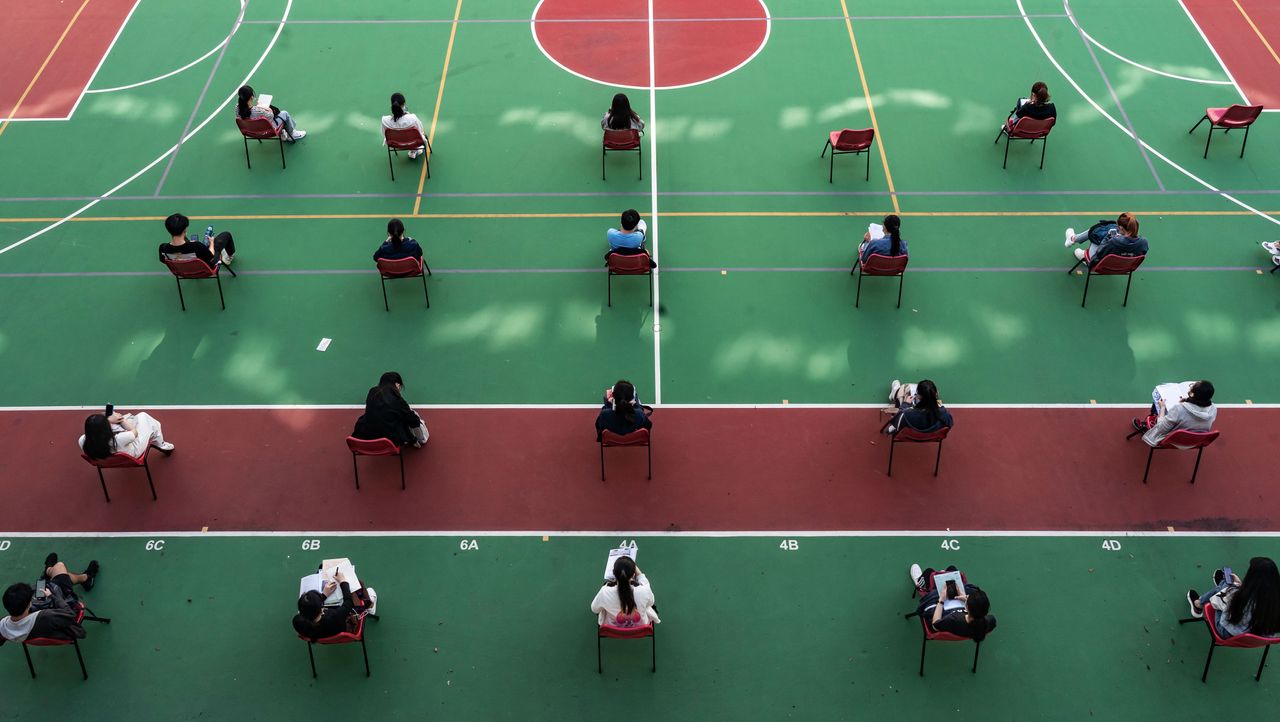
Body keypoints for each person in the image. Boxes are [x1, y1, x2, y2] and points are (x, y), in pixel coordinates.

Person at [1, 553, 98, 646]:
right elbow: (70, 615)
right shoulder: (46, 617)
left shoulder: (3, 626)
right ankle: (85, 578)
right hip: (60, 617)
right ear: (28, 604)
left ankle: (48, 573)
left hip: (38, 618)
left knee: (43, 584)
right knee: (60, 567)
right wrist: (53, 596)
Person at [1185, 557, 1280, 639]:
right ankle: (1222, 584)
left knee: (1224, 590)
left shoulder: (1240, 597)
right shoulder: (1275, 601)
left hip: (1226, 632)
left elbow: (1217, 602)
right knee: (1227, 589)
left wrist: (1232, 589)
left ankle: (1198, 605)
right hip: (1257, 638)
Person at [909, 563, 995, 641]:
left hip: (942, 612)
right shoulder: (989, 622)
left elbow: (935, 625)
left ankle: (920, 583)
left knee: (929, 572)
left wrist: (942, 599)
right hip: (962, 616)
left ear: (968, 607)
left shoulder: (954, 620)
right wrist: (965, 597)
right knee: (952, 569)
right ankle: (944, 573)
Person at [293, 569, 378, 640]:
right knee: (359, 585)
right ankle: (370, 605)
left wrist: (324, 596)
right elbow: (348, 603)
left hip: (323, 635)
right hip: (345, 627)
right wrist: (343, 582)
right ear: (321, 609)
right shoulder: (333, 616)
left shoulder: (298, 622)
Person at [352, 371, 429, 448]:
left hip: (366, 437)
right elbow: (413, 421)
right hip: (390, 441)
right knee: (412, 416)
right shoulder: (397, 399)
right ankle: (421, 439)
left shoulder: (372, 392)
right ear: (397, 384)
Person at [1135, 380, 1216, 445]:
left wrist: (1162, 407)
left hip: (1172, 441)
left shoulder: (1179, 409)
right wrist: (1188, 402)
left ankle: (1146, 424)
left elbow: (1161, 429)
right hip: (1196, 442)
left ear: (1192, 394)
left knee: (1158, 399)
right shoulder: (1213, 409)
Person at [591, 556, 660, 627]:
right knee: (648, 604)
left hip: (613, 629)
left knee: (601, 606)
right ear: (633, 574)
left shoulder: (605, 591)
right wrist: (637, 572)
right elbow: (651, 602)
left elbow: (595, 609)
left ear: (614, 573)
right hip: (640, 627)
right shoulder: (644, 590)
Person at [79, 409, 173, 458]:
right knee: (144, 417)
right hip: (133, 453)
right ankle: (162, 445)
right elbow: (134, 432)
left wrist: (109, 420)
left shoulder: (82, 440)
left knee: (122, 424)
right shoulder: (118, 439)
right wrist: (121, 419)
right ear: (104, 429)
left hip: (111, 457)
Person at [1063, 213, 1147, 266]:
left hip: (1100, 265)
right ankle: (1073, 239)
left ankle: (1074, 241)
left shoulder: (1114, 241)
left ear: (1121, 227)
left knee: (1096, 232)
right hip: (1123, 267)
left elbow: (1100, 252)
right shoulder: (1144, 243)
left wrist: (1108, 237)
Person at [159, 213, 237, 268]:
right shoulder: (197, 246)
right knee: (226, 235)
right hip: (205, 270)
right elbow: (212, 258)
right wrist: (212, 243)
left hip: (183, 271)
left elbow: (165, 261)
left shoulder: (163, 248)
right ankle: (228, 258)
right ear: (185, 229)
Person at [236, 85, 305, 140]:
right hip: (267, 131)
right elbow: (271, 115)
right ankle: (292, 134)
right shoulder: (258, 111)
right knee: (284, 114)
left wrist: (257, 107)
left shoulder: (237, 108)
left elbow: (249, 113)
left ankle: (282, 133)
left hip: (251, 132)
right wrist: (266, 108)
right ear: (251, 97)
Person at [883, 379, 952, 435]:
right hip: (932, 435)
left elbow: (895, 425)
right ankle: (895, 392)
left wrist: (905, 404)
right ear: (936, 394)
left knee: (901, 393)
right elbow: (949, 424)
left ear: (919, 396)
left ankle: (895, 391)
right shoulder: (944, 413)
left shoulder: (907, 414)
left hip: (910, 435)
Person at [381, 92, 428, 160]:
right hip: (413, 143)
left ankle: (413, 151)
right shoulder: (413, 118)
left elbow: (385, 135)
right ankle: (414, 150)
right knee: (421, 131)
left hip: (396, 144)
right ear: (403, 105)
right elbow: (420, 132)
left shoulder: (384, 120)